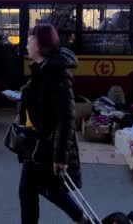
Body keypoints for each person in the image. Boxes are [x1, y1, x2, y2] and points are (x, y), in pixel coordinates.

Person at [17, 24, 88, 224]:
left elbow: (65, 118)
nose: (26, 44)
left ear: (41, 45)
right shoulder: (42, 68)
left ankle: (82, 218)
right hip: (35, 142)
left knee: (33, 190)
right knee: (39, 189)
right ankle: (82, 219)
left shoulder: (57, 75)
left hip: (45, 147)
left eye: (30, 40)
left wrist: (60, 157)